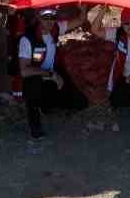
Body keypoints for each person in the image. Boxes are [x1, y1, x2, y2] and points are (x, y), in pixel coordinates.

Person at [17, 8, 87, 139]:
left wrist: (83, 8)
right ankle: (35, 127)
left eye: (52, 18)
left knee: (80, 103)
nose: (49, 21)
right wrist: (51, 75)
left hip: (52, 75)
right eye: (46, 17)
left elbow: (80, 20)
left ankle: (49, 105)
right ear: (38, 17)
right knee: (31, 85)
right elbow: (24, 70)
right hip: (38, 77)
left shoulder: (56, 29)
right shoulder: (27, 39)